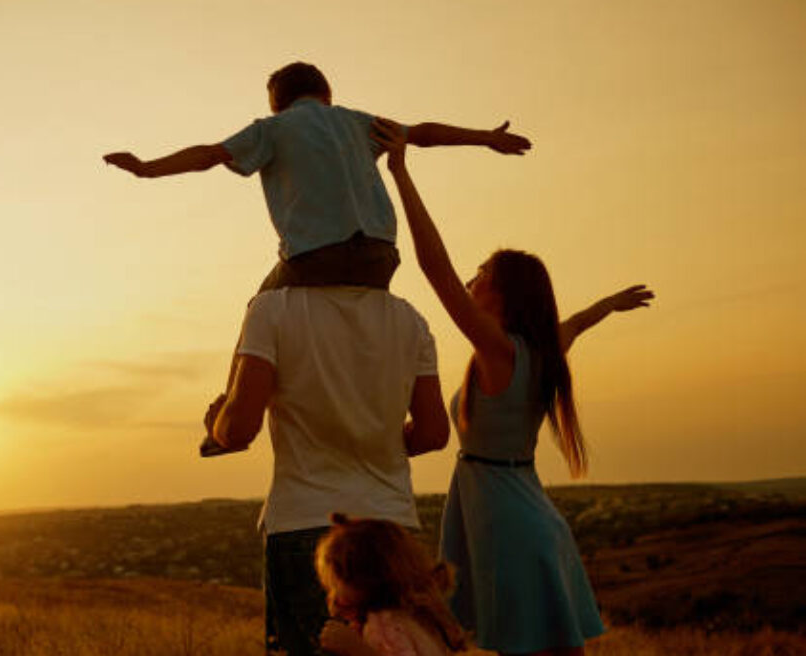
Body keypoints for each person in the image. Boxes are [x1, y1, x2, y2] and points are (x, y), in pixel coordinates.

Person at [372, 117, 653, 656]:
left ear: (499, 298)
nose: (471, 281)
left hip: (503, 522)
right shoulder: (542, 350)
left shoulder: (497, 348)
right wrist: (608, 304)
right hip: (534, 513)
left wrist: (401, 174)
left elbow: (436, 268)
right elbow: (575, 322)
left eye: (483, 277)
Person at [104, 61, 530, 454]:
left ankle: (228, 420)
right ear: (327, 93)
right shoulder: (356, 121)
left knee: (258, 308)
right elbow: (424, 133)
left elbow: (210, 155)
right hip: (380, 258)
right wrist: (486, 138)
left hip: (314, 258)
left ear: (277, 102)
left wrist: (147, 168)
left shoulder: (272, 128)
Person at [205, 281, 451, 656]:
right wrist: (372, 441)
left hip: (308, 530)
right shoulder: (408, 318)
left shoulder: (273, 308)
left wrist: (216, 423)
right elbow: (433, 433)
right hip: (392, 528)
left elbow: (238, 430)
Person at [316, 513, 473, 656]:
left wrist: (355, 649)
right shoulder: (410, 617)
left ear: (363, 579)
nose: (331, 595)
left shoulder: (383, 626)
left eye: (336, 584)